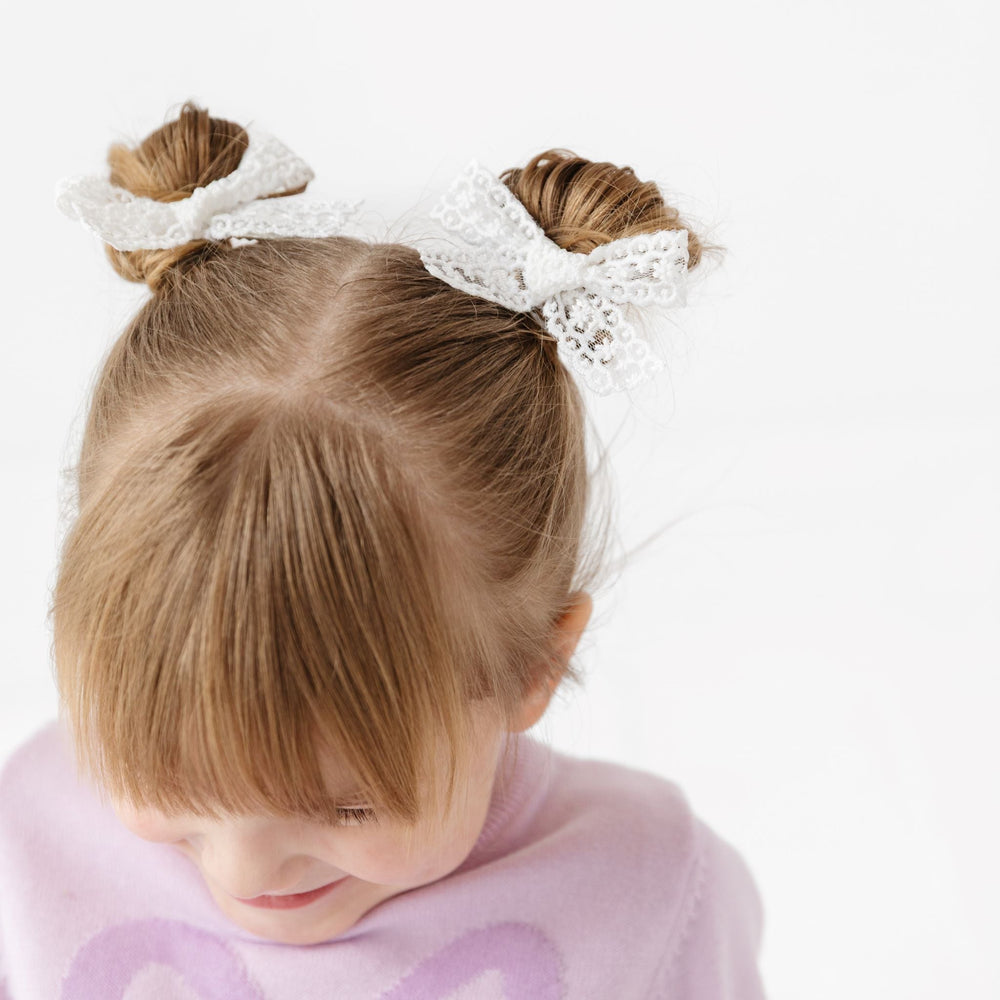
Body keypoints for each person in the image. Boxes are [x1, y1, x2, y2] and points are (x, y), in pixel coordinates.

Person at [0, 102, 766, 999]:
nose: (246, 873)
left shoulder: (646, 887)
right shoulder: (30, 834)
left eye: (346, 805)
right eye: (167, 779)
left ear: (535, 666)